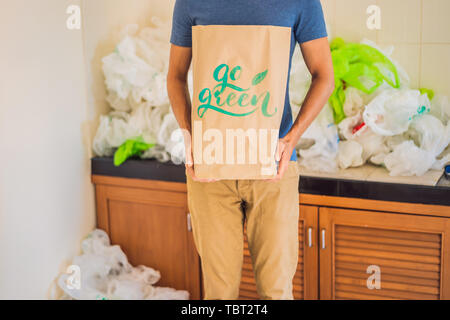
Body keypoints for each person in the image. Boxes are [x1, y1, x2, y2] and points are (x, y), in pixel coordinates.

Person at [167, 0, 334, 300]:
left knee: (276, 292)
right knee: (219, 295)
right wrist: (188, 136)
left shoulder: (301, 2)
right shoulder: (190, 2)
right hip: (211, 168)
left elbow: (324, 76)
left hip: (273, 166)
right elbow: (176, 75)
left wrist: (291, 138)